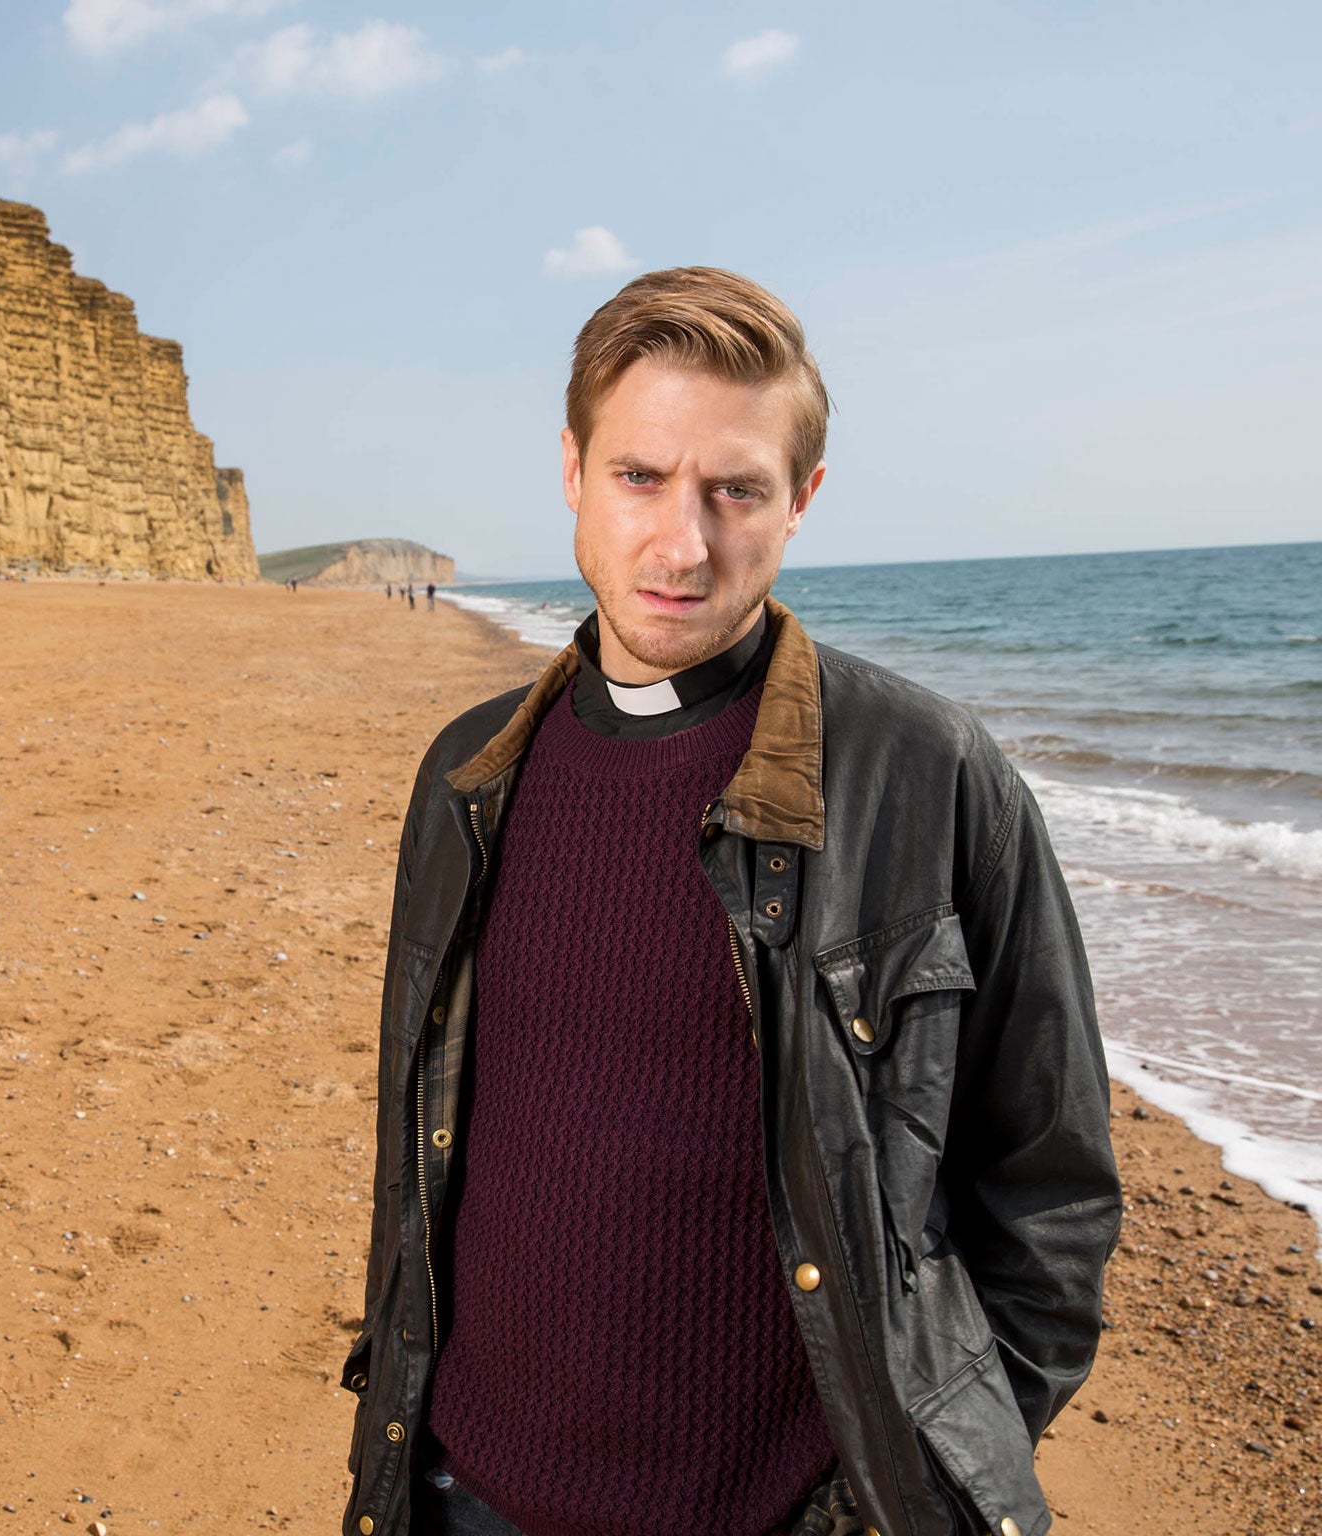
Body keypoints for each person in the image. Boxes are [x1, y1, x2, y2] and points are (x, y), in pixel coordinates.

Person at [342, 267, 1119, 1536]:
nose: (681, 543)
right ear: (571, 472)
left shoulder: (929, 775)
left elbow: (1050, 1183)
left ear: (800, 499)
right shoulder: (465, 778)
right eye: (638, 477)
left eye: (735, 490)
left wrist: (919, 1470)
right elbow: (421, 1152)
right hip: (467, 1492)